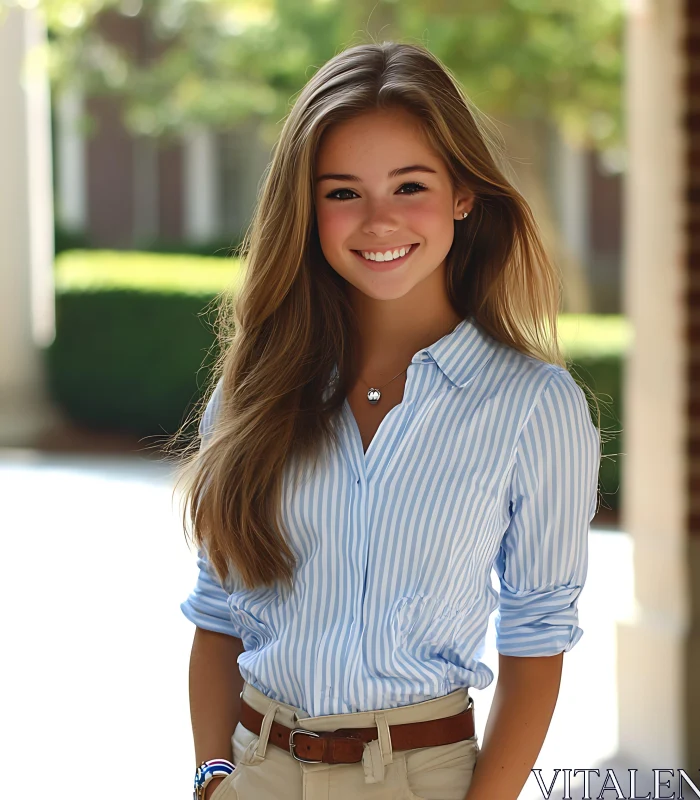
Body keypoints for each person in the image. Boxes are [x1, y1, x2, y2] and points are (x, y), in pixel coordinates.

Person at [174, 39, 603, 800]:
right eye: (342, 193)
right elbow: (217, 618)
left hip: (422, 778)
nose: (378, 222)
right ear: (306, 208)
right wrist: (212, 777)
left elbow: (537, 642)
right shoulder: (253, 393)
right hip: (254, 770)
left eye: (410, 186)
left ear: (463, 193)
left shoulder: (535, 408)